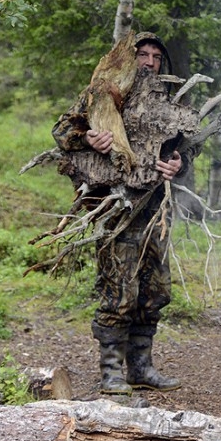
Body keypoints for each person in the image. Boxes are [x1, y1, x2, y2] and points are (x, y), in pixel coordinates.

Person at [52, 32, 195, 394]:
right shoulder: (104, 92)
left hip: (155, 210)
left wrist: (179, 163)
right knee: (119, 293)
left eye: (156, 57)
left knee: (155, 291)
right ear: (129, 59)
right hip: (116, 208)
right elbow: (62, 129)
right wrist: (88, 138)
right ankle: (112, 372)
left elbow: (186, 151)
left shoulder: (169, 100)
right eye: (142, 55)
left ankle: (141, 368)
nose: (149, 62)